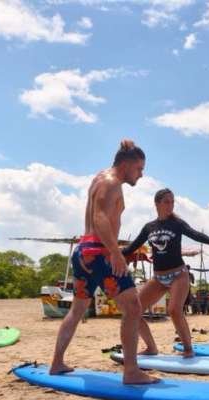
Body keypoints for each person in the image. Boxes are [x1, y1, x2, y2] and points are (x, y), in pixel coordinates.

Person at [50, 139, 158, 384]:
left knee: (78, 309)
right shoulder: (111, 183)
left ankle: (57, 363)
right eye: (139, 169)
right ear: (127, 164)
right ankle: (131, 371)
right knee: (133, 308)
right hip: (101, 253)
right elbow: (100, 217)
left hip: (84, 252)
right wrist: (116, 252)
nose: (141, 175)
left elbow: (98, 211)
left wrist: (127, 145)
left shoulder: (100, 177)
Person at [121, 188, 209, 357]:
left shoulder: (177, 224)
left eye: (173, 202)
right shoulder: (149, 227)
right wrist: (112, 252)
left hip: (178, 274)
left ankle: (188, 348)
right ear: (157, 204)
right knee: (134, 311)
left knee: (174, 310)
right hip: (159, 277)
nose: (170, 205)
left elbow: (194, 234)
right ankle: (151, 348)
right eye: (167, 202)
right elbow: (132, 247)